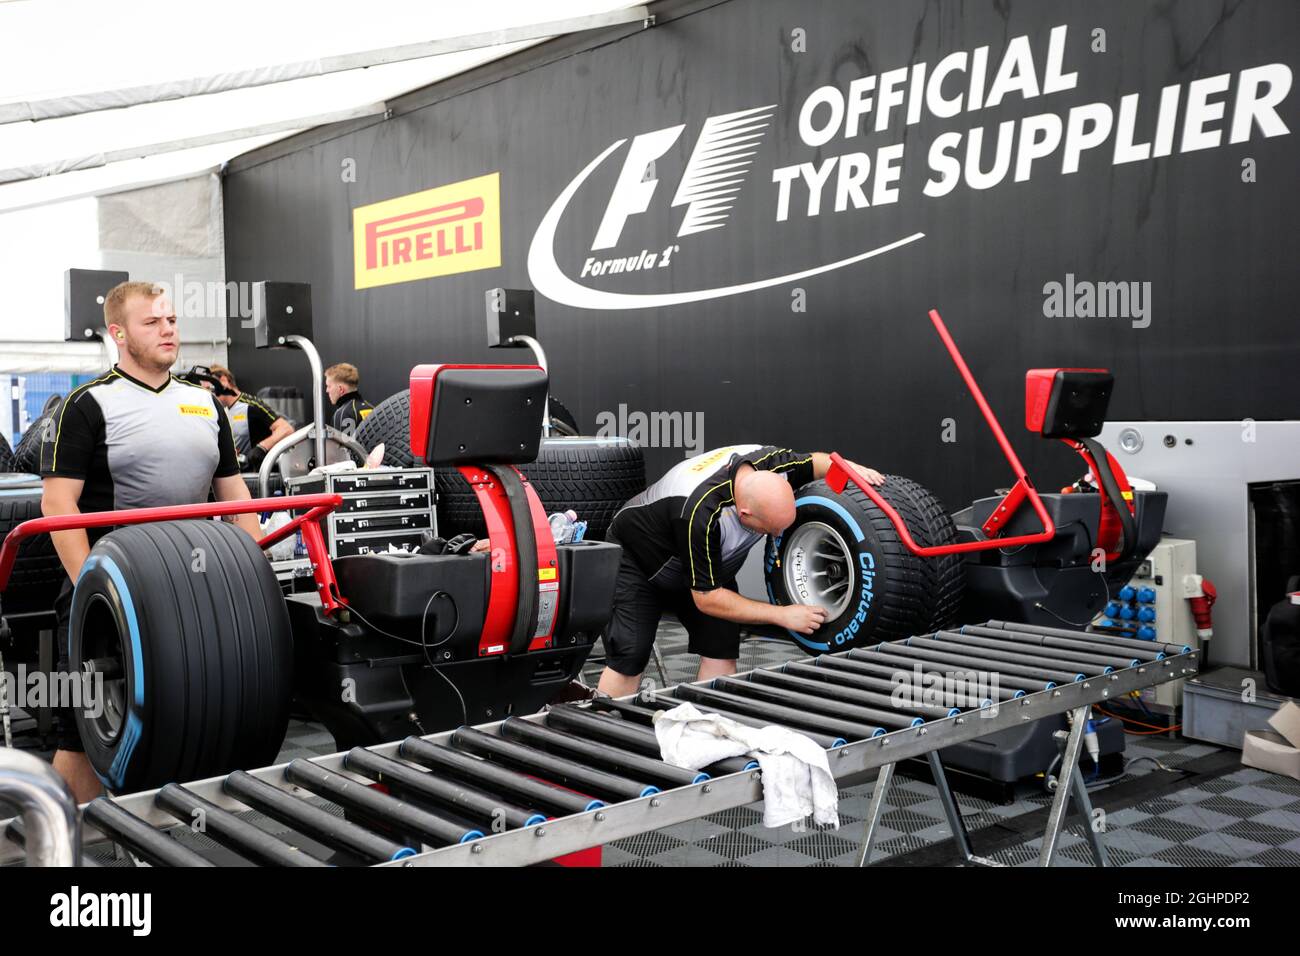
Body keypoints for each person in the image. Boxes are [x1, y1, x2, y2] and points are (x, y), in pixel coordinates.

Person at [40, 281, 261, 803]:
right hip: (107, 591)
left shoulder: (204, 403)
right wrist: (93, 591)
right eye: (152, 322)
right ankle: (61, 838)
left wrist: (256, 575)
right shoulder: (86, 404)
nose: (168, 330)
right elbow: (58, 504)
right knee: (85, 733)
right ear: (118, 334)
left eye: (172, 320)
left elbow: (236, 498)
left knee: (197, 717)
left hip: (193, 583)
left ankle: (173, 831)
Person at [596, 445, 885, 698]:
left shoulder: (775, 464)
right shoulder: (700, 514)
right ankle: (601, 730)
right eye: (772, 530)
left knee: (721, 649)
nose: (778, 536)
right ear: (744, 512)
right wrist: (782, 615)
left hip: (703, 561)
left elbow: (818, 462)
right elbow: (708, 599)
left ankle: (706, 730)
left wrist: (848, 470)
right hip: (641, 560)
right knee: (629, 655)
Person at [207, 364, 293, 470]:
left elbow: (286, 429)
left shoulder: (250, 405)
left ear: (223, 381)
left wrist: (262, 447)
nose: (208, 395)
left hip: (260, 473)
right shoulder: (226, 411)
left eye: (210, 389)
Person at [324, 363, 373, 437]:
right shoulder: (371, 408)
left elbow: (343, 444)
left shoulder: (342, 414)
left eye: (329, 386)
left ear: (341, 389)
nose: (327, 390)